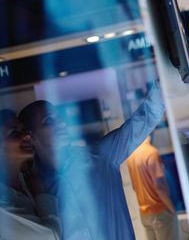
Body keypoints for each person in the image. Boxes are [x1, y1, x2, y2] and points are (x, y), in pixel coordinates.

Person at [17, 81, 165, 240]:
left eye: (59, 117)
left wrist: (165, 78)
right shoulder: (32, 188)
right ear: (29, 137)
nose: (60, 123)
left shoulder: (101, 156)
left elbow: (146, 117)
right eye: (48, 121)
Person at [0, 109, 60, 239]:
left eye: (24, 130)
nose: (27, 136)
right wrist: (41, 195)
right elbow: (50, 236)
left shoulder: (27, 177)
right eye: (14, 133)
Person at [127, 136, 180, 240]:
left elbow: (134, 186)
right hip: (160, 212)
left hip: (144, 215)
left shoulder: (131, 155)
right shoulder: (151, 153)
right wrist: (172, 209)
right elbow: (159, 185)